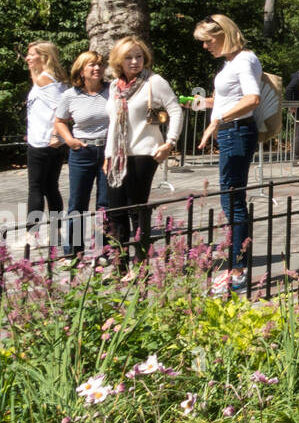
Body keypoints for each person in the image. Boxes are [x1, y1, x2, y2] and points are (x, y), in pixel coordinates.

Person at [194, 15, 262, 295]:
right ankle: (237, 266)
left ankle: (237, 270)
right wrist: (207, 104)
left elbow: (252, 98)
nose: (206, 46)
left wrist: (217, 119)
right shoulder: (234, 61)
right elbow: (234, 98)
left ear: (224, 34)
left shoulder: (243, 60)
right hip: (232, 131)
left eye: (208, 40)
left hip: (235, 132)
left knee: (232, 201)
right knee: (231, 200)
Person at [103, 37, 182, 270]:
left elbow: (175, 109)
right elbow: (112, 125)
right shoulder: (114, 86)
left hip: (144, 152)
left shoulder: (154, 82)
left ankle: (140, 264)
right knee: (115, 210)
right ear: (119, 60)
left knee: (136, 208)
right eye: (128, 57)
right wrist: (108, 156)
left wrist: (170, 143)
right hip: (117, 156)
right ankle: (119, 265)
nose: (135, 61)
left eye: (139, 56)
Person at [53, 50, 110, 256]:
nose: (97, 68)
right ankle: (73, 252)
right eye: (92, 65)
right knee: (77, 202)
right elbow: (59, 121)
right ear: (81, 70)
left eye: (100, 65)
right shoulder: (70, 95)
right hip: (82, 152)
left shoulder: (113, 91)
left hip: (108, 151)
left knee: (105, 203)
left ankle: (103, 250)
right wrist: (69, 140)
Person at [25, 41, 69, 246]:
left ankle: (31, 235)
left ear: (44, 57)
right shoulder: (51, 79)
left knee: (36, 188)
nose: (28, 58)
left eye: (32, 55)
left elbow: (60, 110)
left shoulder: (45, 80)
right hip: (46, 141)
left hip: (44, 144)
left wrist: (53, 135)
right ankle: (56, 232)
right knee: (51, 187)